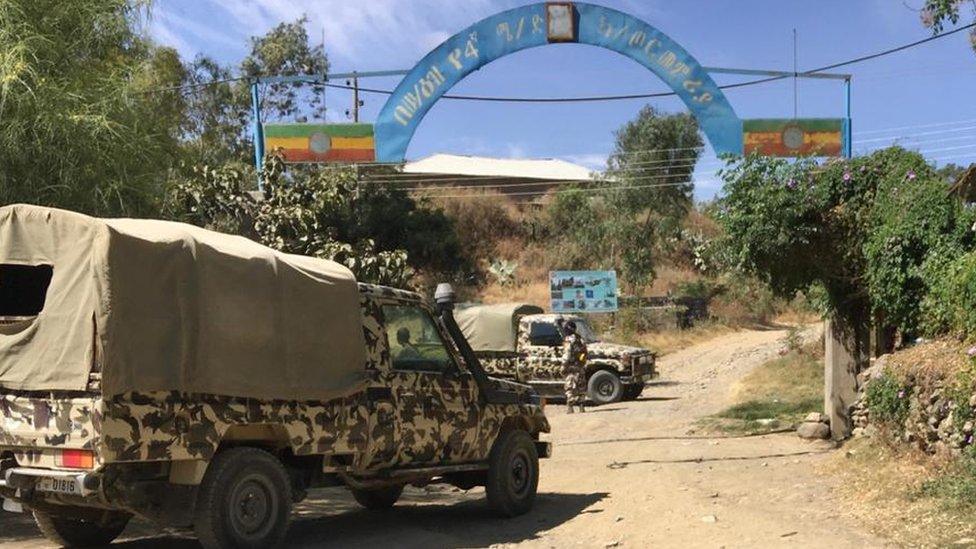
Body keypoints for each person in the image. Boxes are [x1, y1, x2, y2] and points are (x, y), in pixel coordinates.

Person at [562, 319, 588, 413]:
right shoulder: (580, 339)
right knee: (581, 386)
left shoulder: (569, 340)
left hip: (571, 367)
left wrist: (564, 366)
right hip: (580, 366)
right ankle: (581, 407)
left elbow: (567, 354)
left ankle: (570, 407)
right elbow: (585, 352)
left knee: (570, 387)